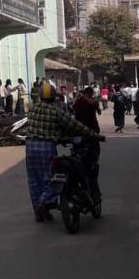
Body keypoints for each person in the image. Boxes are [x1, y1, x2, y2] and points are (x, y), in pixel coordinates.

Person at [25, 81, 98, 222]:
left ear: (40, 97)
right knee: (52, 178)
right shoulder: (56, 111)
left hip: (30, 147)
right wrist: (94, 134)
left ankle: (39, 212)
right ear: (54, 98)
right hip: (46, 147)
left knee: (34, 180)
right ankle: (43, 202)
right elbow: (74, 125)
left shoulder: (33, 109)